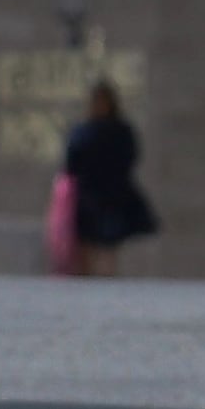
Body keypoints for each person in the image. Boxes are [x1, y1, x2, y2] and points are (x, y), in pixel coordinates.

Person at [54, 79, 158, 277]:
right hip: (89, 198)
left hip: (110, 198)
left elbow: (129, 159)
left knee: (107, 252)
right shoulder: (86, 131)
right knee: (87, 252)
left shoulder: (116, 131)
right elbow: (71, 165)